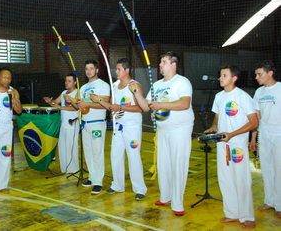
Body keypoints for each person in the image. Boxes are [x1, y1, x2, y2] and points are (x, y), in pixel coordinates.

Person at [130, 51, 194, 216]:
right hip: (162, 130)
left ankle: (178, 203)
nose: (160, 64)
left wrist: (160, 104)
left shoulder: (182, 82)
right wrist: (137, 93)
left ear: (174, 64)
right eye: (160, 61)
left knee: (178, 165)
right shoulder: (157, 84)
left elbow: (184, 104)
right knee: (163, 164)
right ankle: (166, 196)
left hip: (180, 129)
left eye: (164, 61)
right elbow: (146, 107)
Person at [204, 63, 258, 229]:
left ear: (234, 78)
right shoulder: (219, 96)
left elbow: (254, 122)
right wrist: (214, 126)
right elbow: (217, 117)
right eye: (220, 75)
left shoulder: (242, 97)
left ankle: (247, 216)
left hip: (237, 145)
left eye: (224, 75)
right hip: (222, 144)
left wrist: (232, 134)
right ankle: (232, 213)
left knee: (241, 180)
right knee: (225, 179)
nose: (220, 78)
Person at [91, 58, 147, 200]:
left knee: (133, 157)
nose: (116, 72)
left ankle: (140, 188)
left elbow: (141, 108)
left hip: (132, 128)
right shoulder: (115, 86)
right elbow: (112, 106)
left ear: (126, 70)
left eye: (118, 69)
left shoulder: (135, 86)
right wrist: (99, 100)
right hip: (118, 128)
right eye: (115, 69)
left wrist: (121, 107)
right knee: (115, 156)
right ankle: (117, 185)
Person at [72, 59, 110, 194]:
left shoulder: (103, 85)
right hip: (85, 124)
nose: (89, 71)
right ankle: (92, 177)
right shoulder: (82, 88)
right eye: (87, 68)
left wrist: (87, 104)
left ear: (97, 70)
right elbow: (80, 106)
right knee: (88, 152)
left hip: (97, 123)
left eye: (91, 68)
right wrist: (72, 101)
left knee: (97, 152)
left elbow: (104, 103)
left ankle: (98, 182)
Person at [249, 60, 281, 219]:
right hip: (264, 135)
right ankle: (270, 201)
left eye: (259, 74)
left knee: (279, 170)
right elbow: (257, 116)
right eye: (256, 74)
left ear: (270, 73)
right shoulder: (259, 92)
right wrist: (254, 137)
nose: (256, 77)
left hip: (279, 135)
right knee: (267, 169)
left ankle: (280, 205)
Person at [43, 73, 79, 174]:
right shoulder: (64, 92)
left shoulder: (77, 93)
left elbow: (76, 107)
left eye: (69, 81)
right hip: (63, 124)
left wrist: (61, 107)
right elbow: (56, 103)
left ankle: (73, 170)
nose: (66, 83)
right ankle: (65, 169)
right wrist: (50, 102)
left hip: (72, 124)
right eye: (65, 81)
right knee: (62, 147)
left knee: (71, 147)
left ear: (75, 82)